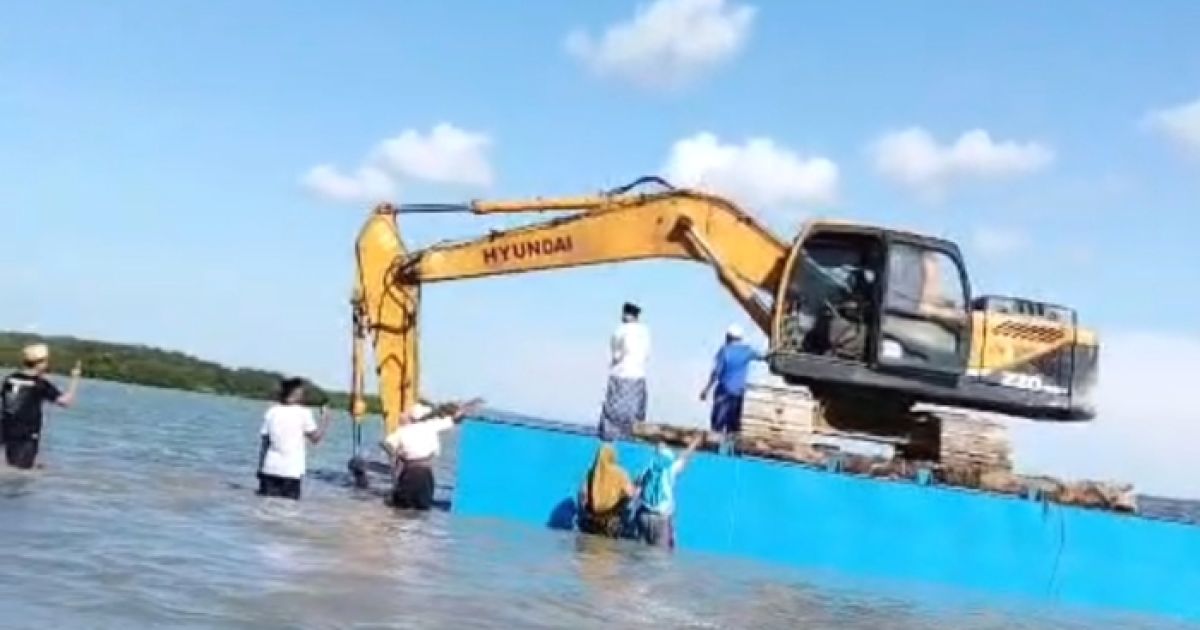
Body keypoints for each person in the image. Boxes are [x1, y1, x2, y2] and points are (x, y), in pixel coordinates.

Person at [382, 398, 483, 510]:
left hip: (409, 473)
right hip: (425, 475)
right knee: (422, 510)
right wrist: (468, 407)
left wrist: (397, 455)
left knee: (400, 508)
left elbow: (386, 444)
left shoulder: (402, 431)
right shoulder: (431, 426)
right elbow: (456, 419)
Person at [0, 344, 81, 469]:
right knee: (20, 475)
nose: (47, 364)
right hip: (26, 435)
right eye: (46, 361)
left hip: (6, 429)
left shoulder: (10, 379)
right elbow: (65, 402)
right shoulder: (40, 385)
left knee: (11, 465)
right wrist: (75, 380)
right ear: (39, 363)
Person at [257, 377, 332, 500]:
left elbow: (264, 444)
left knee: (265, 510)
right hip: (291, 471)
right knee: (288, 512)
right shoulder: (304, 413)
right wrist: (325, 420)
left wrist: (260, 468)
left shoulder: (272, 411)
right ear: (296, 393)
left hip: (269, 468)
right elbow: (315, 439)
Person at [700, 324, 767, 440]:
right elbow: (763, 357)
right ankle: (733, 451)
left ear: (728, 337)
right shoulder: (747, 351)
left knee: (718, 425)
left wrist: (706, 389)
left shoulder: (724, 351)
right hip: (738, 393)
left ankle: (716, 448)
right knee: (734, 426)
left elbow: (716, 372)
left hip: (724, 391)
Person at [634, 434, 702, 548]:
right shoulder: (671, 468)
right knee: (660, 559)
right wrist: (694, 444)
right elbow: (684, 457)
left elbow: (636, 488)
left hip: (643, 516)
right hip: (661, 519)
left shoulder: (649, 468)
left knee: (640, 555)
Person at [598, 302, 651, 441]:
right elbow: (646, 354)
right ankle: (632, 439)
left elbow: (616, 355)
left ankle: (609, 439)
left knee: (614, 412)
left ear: (624, 314)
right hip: (639, 376)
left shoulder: (620, 330)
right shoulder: (644, 331)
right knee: (635, 412)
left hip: (621, 374)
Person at [576, 443, 637, 538]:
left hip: (591, 520)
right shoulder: (620, 473)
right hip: (612, 522)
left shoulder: (591, 473)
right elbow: (630, 494)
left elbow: (582, 495)